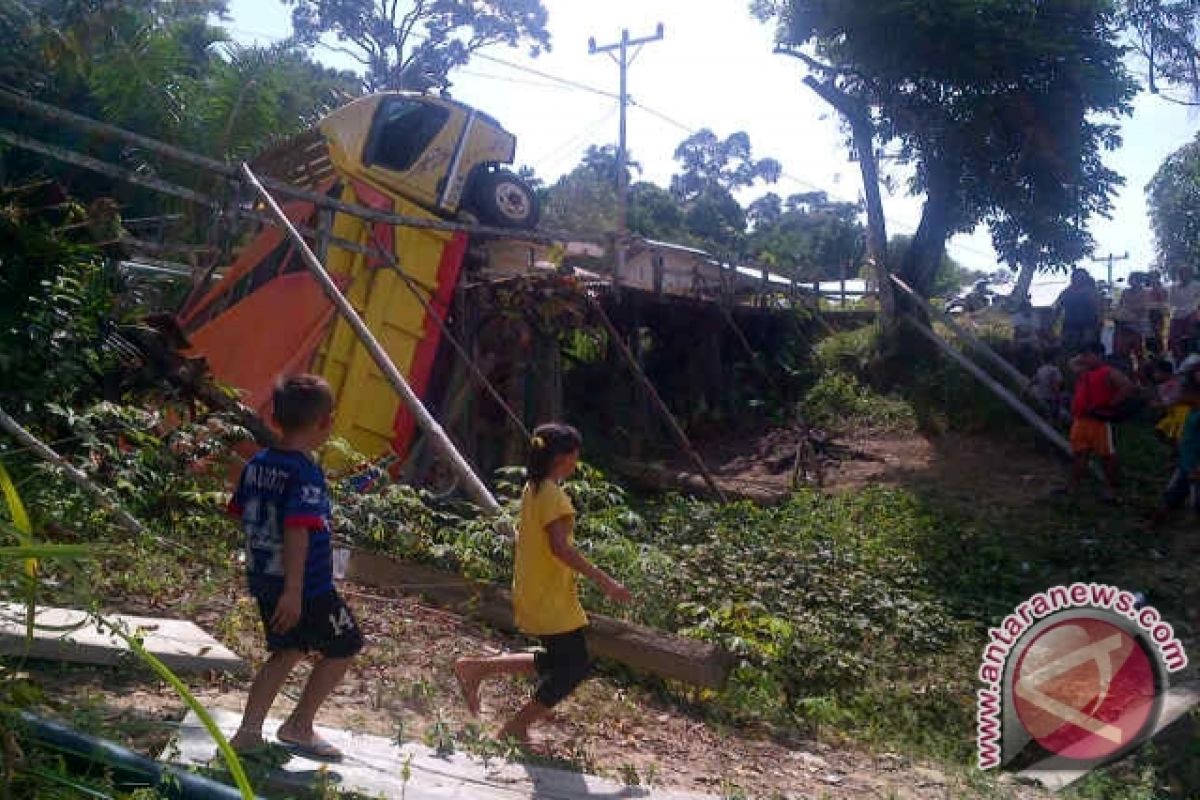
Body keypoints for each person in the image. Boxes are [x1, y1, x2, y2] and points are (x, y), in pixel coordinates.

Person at [454, 423, 631, 744]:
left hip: (538, 589)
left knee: (559, 661)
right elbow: (560, 549)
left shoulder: (533, 488)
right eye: (575, 455)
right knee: (573, 668)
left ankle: (477, 669)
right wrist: (606, 582)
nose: (576, 462)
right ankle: (516, 727)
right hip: (550, 596)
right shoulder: (554, 496)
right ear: (565, 458)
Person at [226, 375, 364, 761]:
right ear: (326, 422)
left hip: (265, 578)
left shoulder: (256, 463)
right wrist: (293, 590)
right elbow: (297, 530)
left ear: (275, 416)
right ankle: (300, 725)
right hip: (305, 586)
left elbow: (240, 512)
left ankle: (249, 731)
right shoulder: (304, 472)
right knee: (346, 644)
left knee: (287, 651)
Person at [1063, 342, 1135, 502]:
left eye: (1088, 355)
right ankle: (1073, 487)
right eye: (1084, 356)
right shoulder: (1085, 371)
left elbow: (1127, 387)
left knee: (1107, 457)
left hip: (1098, 420)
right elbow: (1071, 363)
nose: (1084, 359)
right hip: (1081, 419)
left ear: (1099, 355)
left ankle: (1110, 490)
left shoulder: (1108, 372)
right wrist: (1084, 356)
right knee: (1079, 454)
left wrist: (1111, 403)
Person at [1150, 367, 1200, 526]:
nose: (1179, 396)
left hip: (1195, 467)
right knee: (1171, 495)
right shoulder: (1192, 411)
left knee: (1194, 502)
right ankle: (1155, 522)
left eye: (1183, 392)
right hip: (1187, 463)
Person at [1053, 269, 1104, 352]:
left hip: (1088, 326)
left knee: (1086, 349)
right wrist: (1053, 322)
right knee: (1068, 349)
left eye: (1081, 277)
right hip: (1070, 325)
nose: (1078, 279)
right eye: (1076, 277)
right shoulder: (1067, 292)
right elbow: (1058, 306)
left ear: (1086, 278)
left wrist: (1099, 324)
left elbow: (1100, 309)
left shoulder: (1092, 292)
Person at [1167, 266, 1200, 361]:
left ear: (1190, 274)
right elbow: (1171, 303)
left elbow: (1197, 302)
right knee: (1174, 339)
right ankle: (1176, 359)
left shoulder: (1197, 285)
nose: (1183, 275)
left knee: (1191, 338)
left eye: (1186, 273)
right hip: (1177, 315)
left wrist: (1193, 311)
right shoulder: (1173, 287)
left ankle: (1191, 358)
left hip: (1192, 314)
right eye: (1181, 273)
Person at [1030, 357, 1071, 426]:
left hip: (1041, 395)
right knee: (1069, 397)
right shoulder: (1055, 370)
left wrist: (1024, 391)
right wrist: (1057, 397)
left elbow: (1032, 381)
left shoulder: (1040, 370)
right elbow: (1057, 385)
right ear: (1053, 360)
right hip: (1050, 397)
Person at [1146, 270, 1169, 355]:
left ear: (1158, 278)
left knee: (1157, 335)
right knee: (1149, 335)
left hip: (1157, 314)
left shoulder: (1162, 289)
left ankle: (1160, 353)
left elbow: (1164, 302)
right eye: (1151, 277)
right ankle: (1150, 354)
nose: (1152, 279)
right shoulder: (1147, 289)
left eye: (1154, 277)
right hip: (1148, 314)